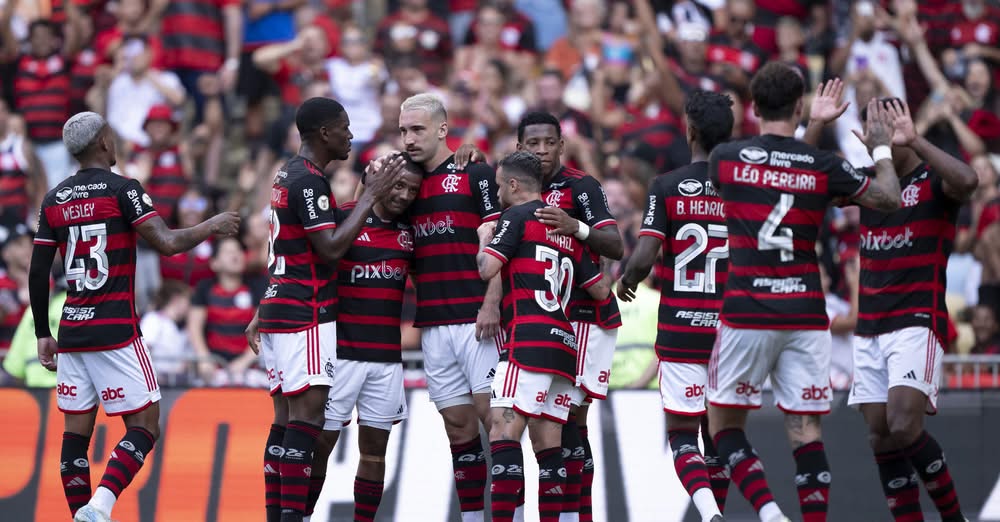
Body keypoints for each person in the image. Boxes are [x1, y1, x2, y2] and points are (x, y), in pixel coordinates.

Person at [706, 65, 904, 522]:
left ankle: (770, 513)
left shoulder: (726, 159)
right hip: (806, 314)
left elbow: (777, 171)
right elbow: (889, 198)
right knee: (805, 431)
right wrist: (879, 147)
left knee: (723, 426)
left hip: (748, 312)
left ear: (754, 107)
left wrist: (810, 126)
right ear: (799, 106)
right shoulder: (823, 165)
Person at [28, 111, 241, 522]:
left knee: (75, 436)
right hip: (116, 330)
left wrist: (42, 332)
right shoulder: (122, 189)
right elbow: (167, 242)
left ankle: (80, 515)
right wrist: (211, 225)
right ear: (104, 143)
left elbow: (38, 272)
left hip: (72, 331)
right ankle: (100, 505)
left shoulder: (54, 199)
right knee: (146, 425)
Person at [243, 97, 404, 522]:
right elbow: (330, 249)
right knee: (307, 421)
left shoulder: (286, 174)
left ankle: (277, 516)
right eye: (345, 128)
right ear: (324, 133)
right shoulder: (310, 181)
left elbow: (290, 247)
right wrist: (370, 196)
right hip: (305, 311)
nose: (351, 135)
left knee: (284, 422)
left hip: (280, 306)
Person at [845, 98, 978, 522]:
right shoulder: (866, 183)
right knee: (881, 437)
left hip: (916, 320)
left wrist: (916, 140)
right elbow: (806, 184)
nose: (875, 139)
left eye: (883, 130)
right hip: (870, 325)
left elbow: (969, 181)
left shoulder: (932, 178)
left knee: (904, 426)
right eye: (871, 131)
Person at [617, 89, 735, 522]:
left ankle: (709, 514)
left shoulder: (666, 186)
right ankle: (718, 511)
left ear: (689, 131)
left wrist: (628, 280)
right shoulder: (742, 187)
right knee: (720, 435)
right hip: (731, 330)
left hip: (682, 329)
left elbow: (643, 257)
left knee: (683, 433)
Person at [475, 151, 610, 522]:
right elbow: (600, 291)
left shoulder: (516, 216)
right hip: (565, 346)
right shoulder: (563, 226)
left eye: (500, 186)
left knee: (503, 432)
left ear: (513, 184)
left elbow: (487, 269)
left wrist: (484, 239)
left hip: (527, 341)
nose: (497, 193)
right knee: (549, 447)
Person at [396, 93, 502, 522]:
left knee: (497, 425)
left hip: (478, 320)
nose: (408, 138)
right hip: (434, 323)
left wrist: (492, 301)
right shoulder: (402, 184)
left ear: (443, 129)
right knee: (458, 429)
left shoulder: (474, 172)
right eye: (403, 130)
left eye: (417, 129)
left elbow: (499, 239)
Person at [515, 111, 624, 522]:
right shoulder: (514, 187)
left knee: (567, 420)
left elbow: (615, 245)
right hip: (538, 318)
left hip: (582, 316)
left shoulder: (581, 186)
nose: (542, 150)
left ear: (562, 145)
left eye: (549, 142)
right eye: (533, 143)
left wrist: (575, 226)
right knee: (553, 426)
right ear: (520, 147)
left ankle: (578, 515)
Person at [311, 156, 421, 522]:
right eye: (398, 185)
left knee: (374, 453)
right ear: (378, 181)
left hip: (386, 360)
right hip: (340, 355)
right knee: (320, 445)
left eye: (412, 190)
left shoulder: (410, 232)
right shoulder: (345, 218)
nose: (403, 195)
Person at [188, 237, 265, 384]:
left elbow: (262, 330)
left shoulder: (257, 287)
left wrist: (243, 363)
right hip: (214, 366)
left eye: (238, 250)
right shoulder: (204, 288)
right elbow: (194, 327)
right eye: (228, 252)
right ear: (214, 263)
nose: (235, 255)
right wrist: (204, 358)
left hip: (250, 369)